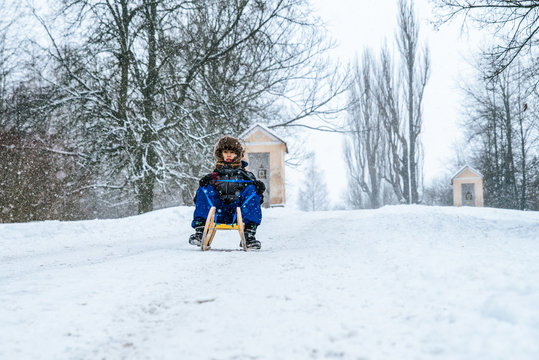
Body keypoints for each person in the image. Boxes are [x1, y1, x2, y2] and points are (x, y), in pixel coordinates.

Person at [189, 136, 266, 249]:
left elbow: (258, 201)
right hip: (217, 212)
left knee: (251, 190)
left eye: (232, 152)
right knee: (205, 189)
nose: (229, 155)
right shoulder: (214, 175)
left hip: (238, 212)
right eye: (226, 152)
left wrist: (258, 190)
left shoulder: (246, 175)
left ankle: (249, 235)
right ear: (221, 154)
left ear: (237, 154)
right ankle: (200, 232)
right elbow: (198, 200)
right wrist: (204, 184)